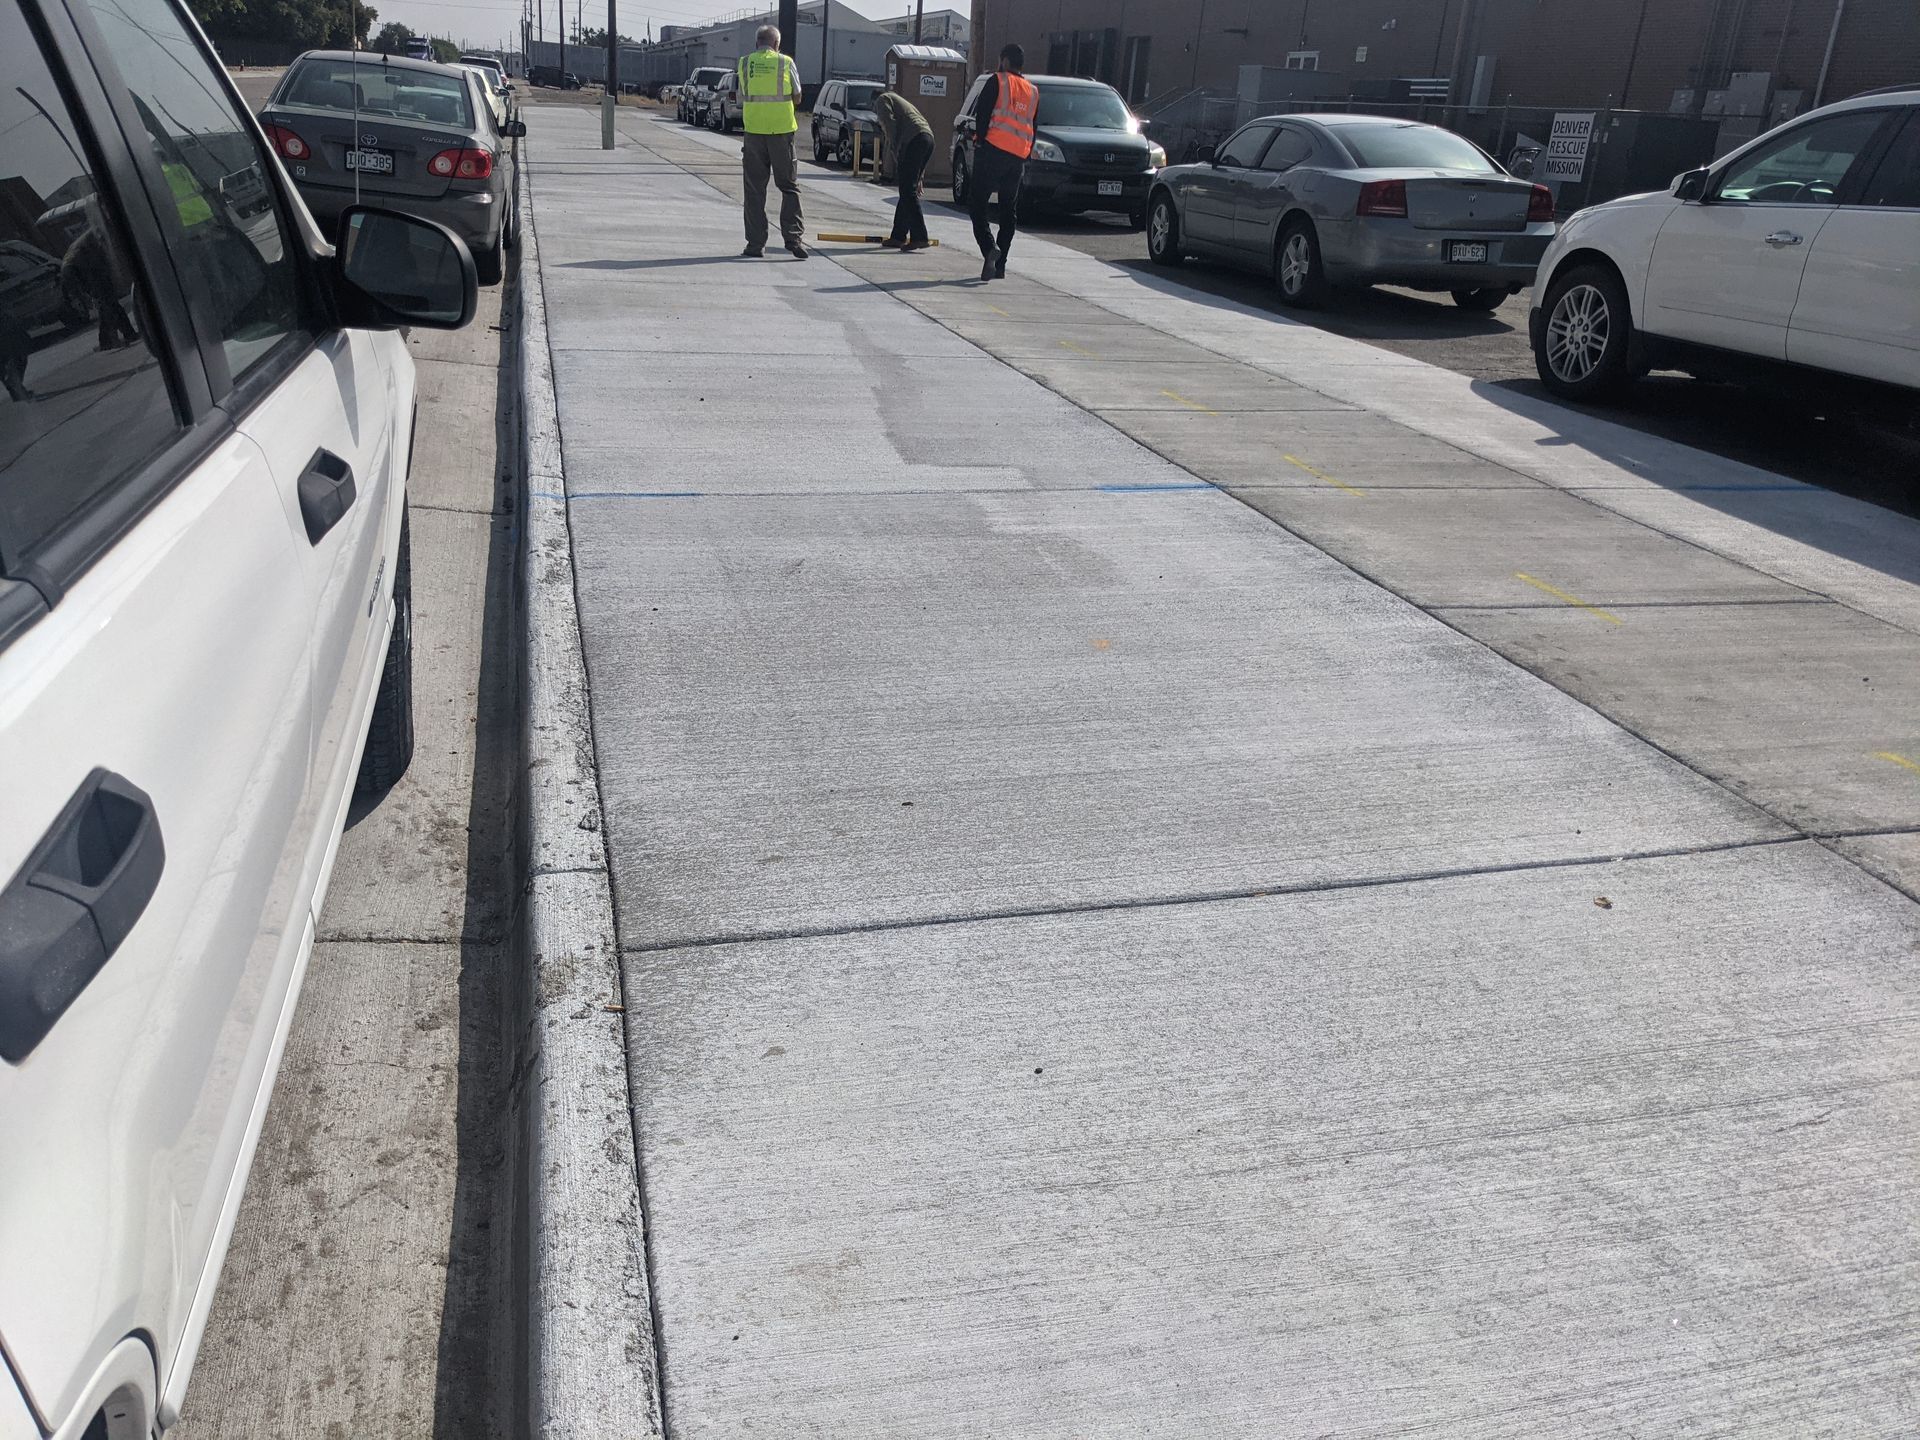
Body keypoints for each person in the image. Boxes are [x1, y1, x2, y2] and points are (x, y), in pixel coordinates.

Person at [965, 43, 1037, 282]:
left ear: (1004, 60)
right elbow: (1033, 126)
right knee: (1008, 211)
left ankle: (989, 248)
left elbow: (982, 115)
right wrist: (1026, 154)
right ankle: (1000, 266)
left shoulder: (997, 81)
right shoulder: (1032, 91)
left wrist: (979, 142)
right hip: (1017, 159)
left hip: (992, 152)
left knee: (977, 204)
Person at [737, 26, 807, 259]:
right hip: (781, 133)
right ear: (777, 44)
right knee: (788, 186)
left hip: (753, 133)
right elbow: (798, 95)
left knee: (754, 190)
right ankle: (793, 239)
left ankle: (755, 245)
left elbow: (742, 94)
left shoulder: (745, 63)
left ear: (757, 43)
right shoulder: (785, 62)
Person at [872, 88, 934, 252]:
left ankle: (919, 237)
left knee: (907, 191)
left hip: (914, 140)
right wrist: (920, 177)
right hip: (927, 138)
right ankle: (898, 236)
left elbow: (889, 125)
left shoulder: (882, 100)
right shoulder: (900, 101)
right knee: (907, 190)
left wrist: (894, 151)